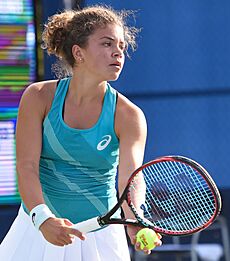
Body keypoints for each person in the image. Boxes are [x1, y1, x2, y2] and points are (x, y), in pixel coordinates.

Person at [0, 5, 162, 261]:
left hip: (101, 237)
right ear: (79, 52)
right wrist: (43, 219)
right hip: (36, 229)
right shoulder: (38, 97)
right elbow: (26, 166)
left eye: (121, 46)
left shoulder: (129, 116)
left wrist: (133, 217)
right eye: (107, 44)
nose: (118, 53)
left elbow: (130, 178)